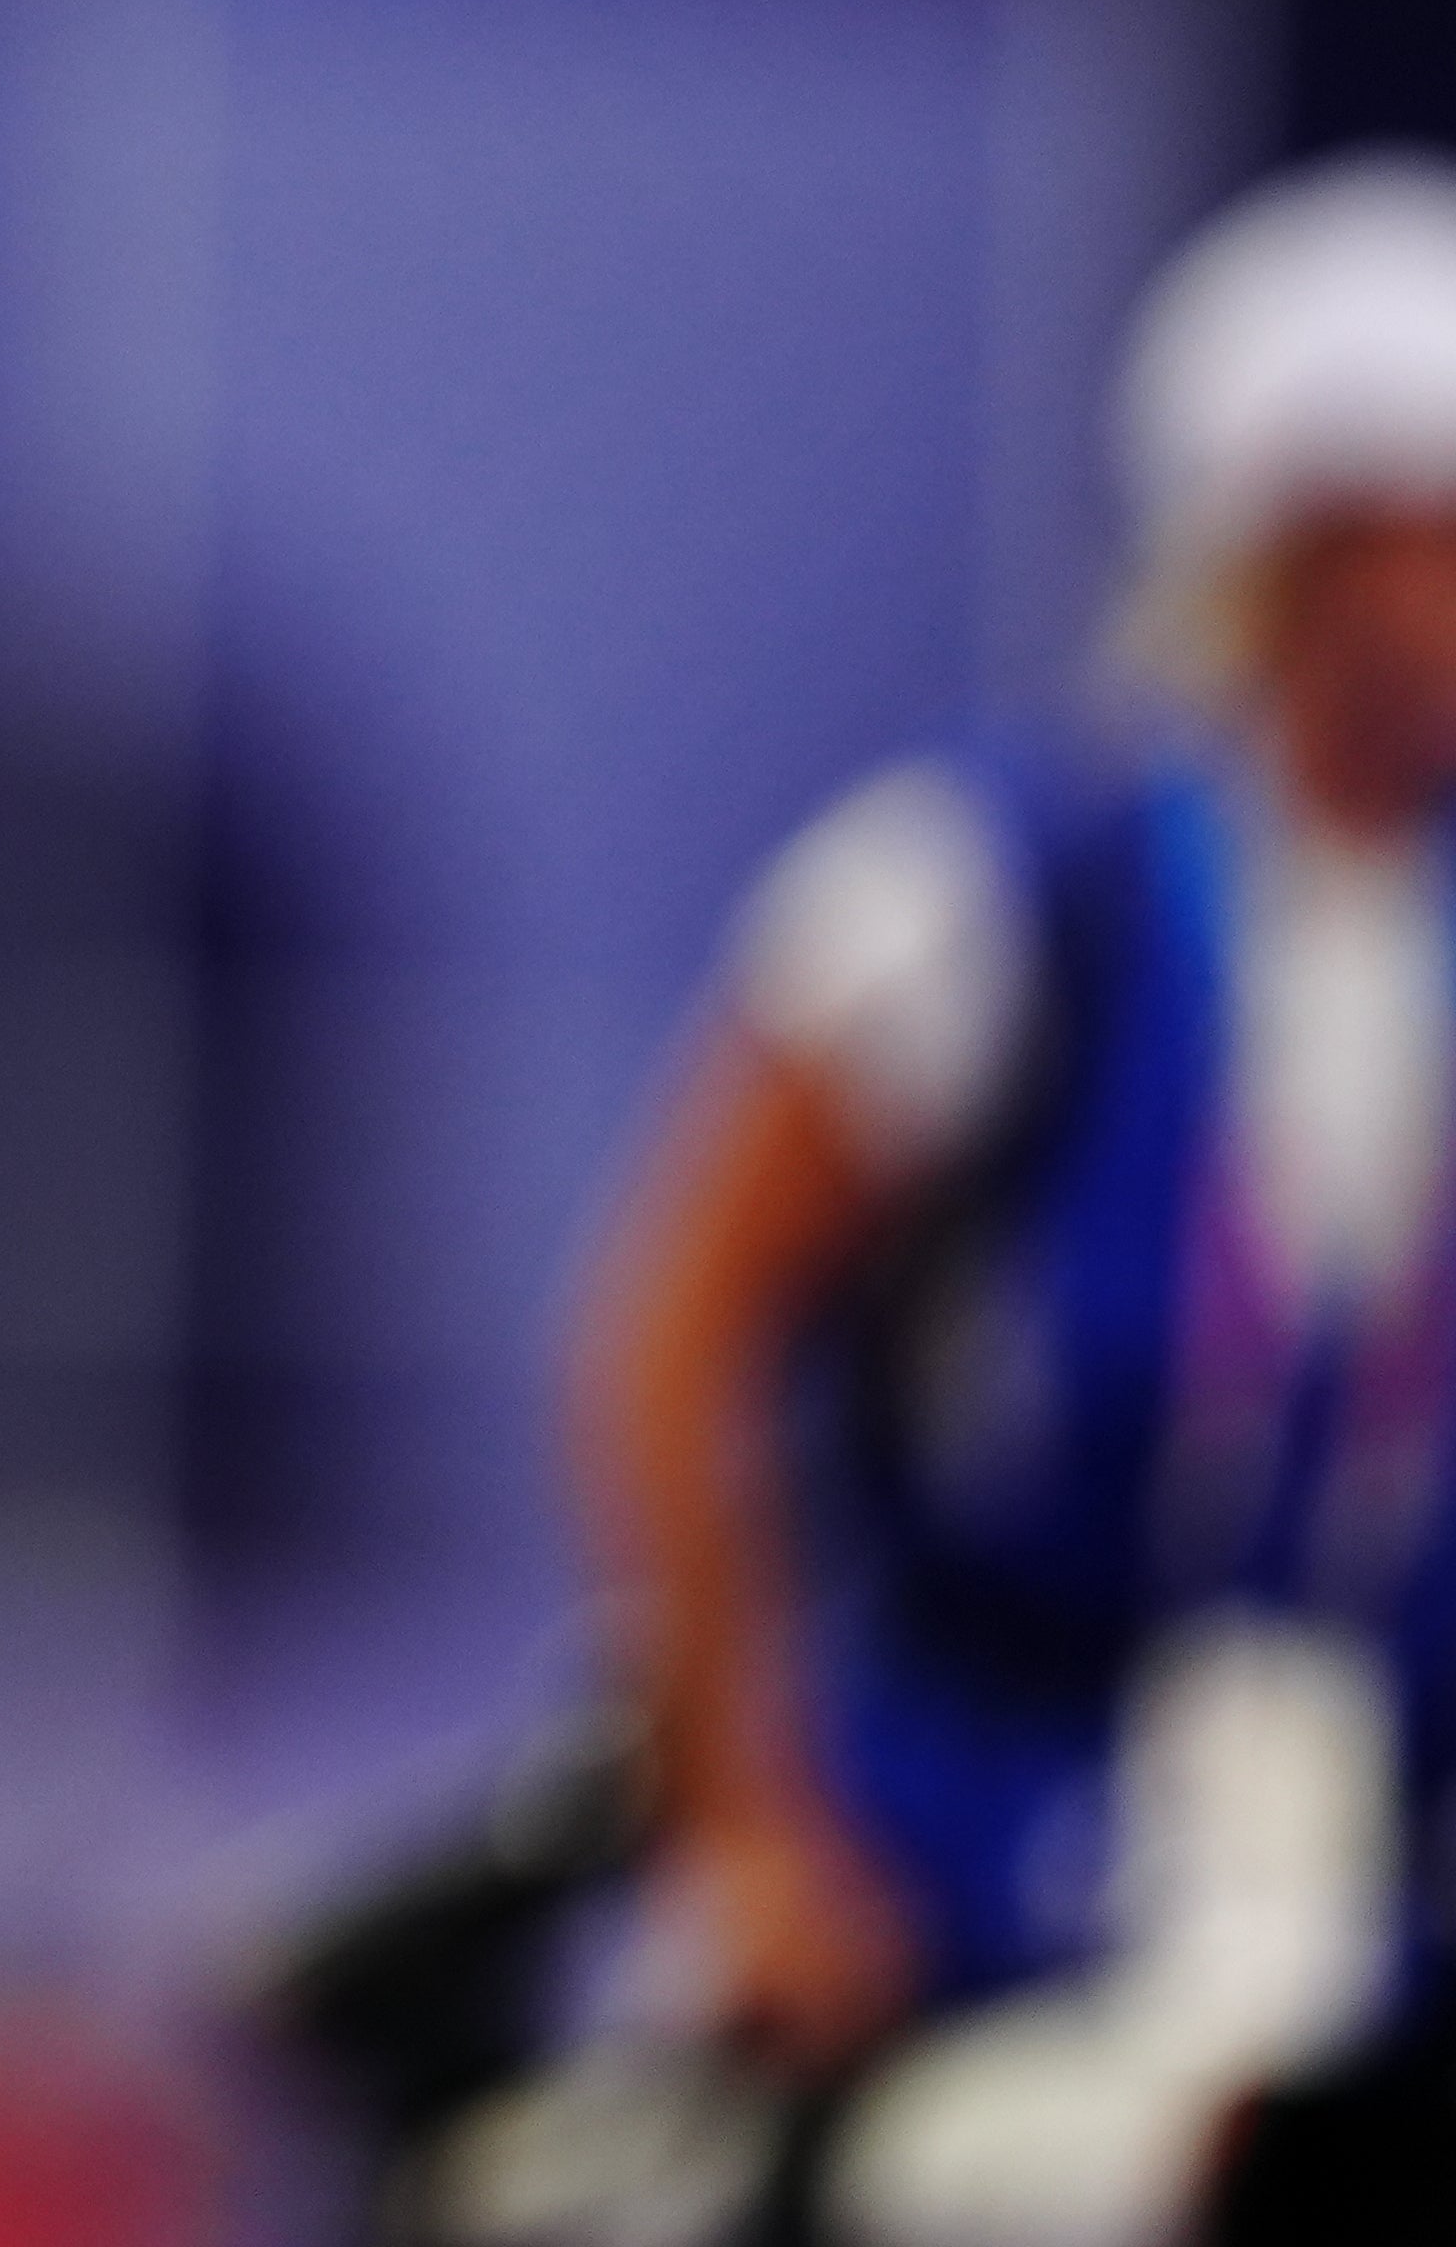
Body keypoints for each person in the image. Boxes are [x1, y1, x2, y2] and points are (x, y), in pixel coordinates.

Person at [351, 156, 1456, 2247]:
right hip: (954, 1839)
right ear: (1297, 548)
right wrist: (746, 1829)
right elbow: (665, 1338)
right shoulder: (1001, 888)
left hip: (1338, 1863)